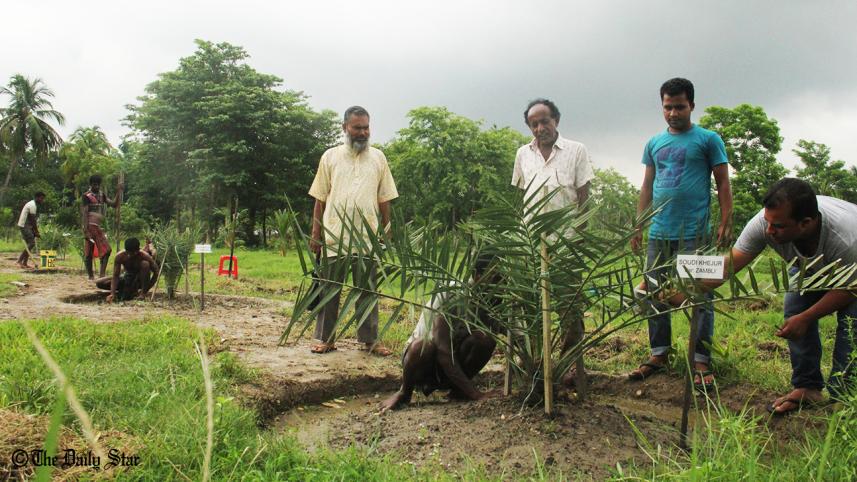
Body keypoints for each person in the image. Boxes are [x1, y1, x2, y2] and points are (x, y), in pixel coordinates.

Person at [670, 179, 856, 414]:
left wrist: (807, 318)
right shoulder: (764, 222)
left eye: (778, 226)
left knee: (851, 327)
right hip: (808, 266)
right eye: (768, 222)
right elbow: (728, 265)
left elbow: (849, 289)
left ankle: (844, 399)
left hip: (853, 273)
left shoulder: (846, 237)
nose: (769, 231)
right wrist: (683, 285)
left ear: (805, 223)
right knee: (794, 311)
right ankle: (807, 388)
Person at [628, 78, 733, 391]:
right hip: (659, 231)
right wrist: (639, 224)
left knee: (700, 294)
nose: (673, 112)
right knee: (653, 291)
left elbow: (723, 183)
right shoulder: (654, 143)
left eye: (679, 106)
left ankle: (701, 358)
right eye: (667, 106)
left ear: (692, 106)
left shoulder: (708, 139)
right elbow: (647, 185)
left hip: (695, 233)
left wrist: (725, 220)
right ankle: (658, 353)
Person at [511, 98, 594, 387]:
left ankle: (570, 367)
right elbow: (519, 198)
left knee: (568, 307)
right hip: (532, 245)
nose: (539, 127)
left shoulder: (576, 151)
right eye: (533, 124)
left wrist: (581, 238)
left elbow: (584, 198)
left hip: (567, 243)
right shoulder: (523, 154)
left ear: (556, 120)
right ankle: (533, 364)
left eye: (544, 121)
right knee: (530, 305)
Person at [308, 106, 399, 356]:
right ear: (344, 127)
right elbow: (319, 199)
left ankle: (370, 340)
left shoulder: (379, 158)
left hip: (367, 238)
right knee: (330, 290)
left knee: (368, 289)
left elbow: (385, 198)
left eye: (366, 127)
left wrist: (386, 230)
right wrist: (316, 234)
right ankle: (325, 339)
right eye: (357, 127)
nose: (362, 132)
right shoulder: (330, 157)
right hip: (334, 236)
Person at [381, 258, 502, 411]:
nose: (500, 282)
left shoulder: (493, 300)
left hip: (454, 361)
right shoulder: (452, 294)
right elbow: (442, 350)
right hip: (423, 363)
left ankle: (458, 391)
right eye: (495, 277)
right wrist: (475, 394)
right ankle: (405, 392)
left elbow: (514, 334)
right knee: (424, 346)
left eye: (502, 277)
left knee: (485, 340)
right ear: (477, 276)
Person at [81, 174, 122, 279]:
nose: (97, 187)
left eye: (98, 185)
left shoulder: (101, 195)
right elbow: (85, 213)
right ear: (90, 184)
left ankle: (100, 275)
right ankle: (93, 276)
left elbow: (114, 204)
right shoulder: (86, 196)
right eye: (95, 184)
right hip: (90, 226)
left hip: (97, 226)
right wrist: (85, 230)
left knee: (104, 251)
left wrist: (118, 191)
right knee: (92, 252)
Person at [95, 237, 158, 302]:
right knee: (99, 282)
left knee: (145, 264)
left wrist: (145, 291)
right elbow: (116, 276)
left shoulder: (145, 256)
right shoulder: (120, 256)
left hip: (139, 282)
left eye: (132, 253)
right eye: (128, 252)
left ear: (138, 250)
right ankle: (127, 290)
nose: (129, 255)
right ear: (126, 250)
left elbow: (156, 273)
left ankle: (138, 292)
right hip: (126, 279)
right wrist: (112, 293)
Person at [16, 192, 46, 269]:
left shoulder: (32, 204)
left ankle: (25, 263)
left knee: (29, 244)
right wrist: (36, 231)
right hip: (24, 225)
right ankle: (20, 260)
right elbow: (33, 220)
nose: (43, 200)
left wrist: (34, 231)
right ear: (37, 197)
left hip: (26, 225)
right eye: (42, 198)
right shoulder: (32, 205)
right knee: (32, 243)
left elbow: (31, 219)